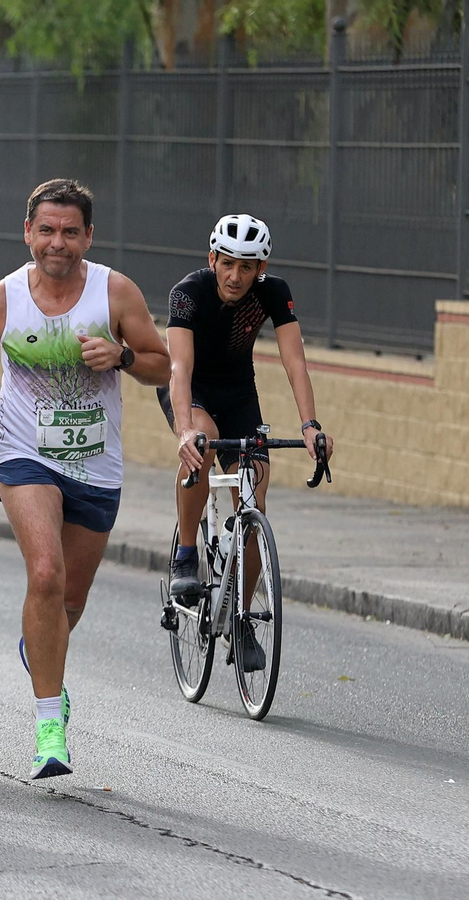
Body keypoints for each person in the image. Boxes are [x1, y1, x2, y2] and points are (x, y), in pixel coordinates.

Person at [0, 179, 169, 779]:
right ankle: (48, 727)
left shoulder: (114, 291)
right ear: (27, 233)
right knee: (45, 573)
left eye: (70, 231)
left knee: (68, 600)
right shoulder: (2, 296)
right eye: (46, 230)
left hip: (96, 462)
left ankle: (44, 654)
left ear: (88, 236)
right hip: (24, 453)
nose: (57, 242)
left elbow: (161, 362)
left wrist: (121, 357)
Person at [158, 214, 334, 670]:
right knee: (204, 442)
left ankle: (240, 617)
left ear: (262, 268)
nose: (236, 276)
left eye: (248, 266)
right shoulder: (188, 292)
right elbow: (178, 368)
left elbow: (296, 363)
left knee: (254, 490)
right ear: (212, 258)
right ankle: (186, 556)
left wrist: (310, 425)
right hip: (191, 390)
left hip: (238, 393)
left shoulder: (273, 293)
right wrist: (183, 430)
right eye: (228, 264)